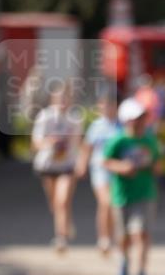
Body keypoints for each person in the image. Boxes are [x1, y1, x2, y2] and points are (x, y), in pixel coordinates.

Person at [103, 97, 161, 275]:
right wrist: (122, 167)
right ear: (127, 120)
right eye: (136, 118)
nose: (140, 122)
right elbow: (106, 161)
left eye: (143, 117)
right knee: (123, 236)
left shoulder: (149, 140)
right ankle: (124, 260)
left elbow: (157, 163)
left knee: (141, 233)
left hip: (145, 193)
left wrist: (154, 167)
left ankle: (142, 272)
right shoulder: (119, 140)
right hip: (122, 195)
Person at [31, 82, 83, 252]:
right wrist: (50, 143)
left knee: (62, 200)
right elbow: (36, 142)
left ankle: (61, 238)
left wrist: (80, 161)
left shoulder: (74, 119)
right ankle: (67, 222)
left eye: (65, 99)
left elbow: (78, 143)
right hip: (48, 165)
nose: (62, 102)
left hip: (67, 165)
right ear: (53, 99)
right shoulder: (44, 117)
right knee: (54, 203)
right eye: (59, 99)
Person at [75, 93, 120, 254]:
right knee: (105, 202)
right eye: (103, 105)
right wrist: (82, 164)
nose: (106, 108)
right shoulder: (96, 126)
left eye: (109, 105)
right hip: (100, 169)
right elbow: (87, 147)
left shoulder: (121, 125)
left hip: (116, 170)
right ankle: (104, 238)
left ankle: (113, 236)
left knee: (115, 205)